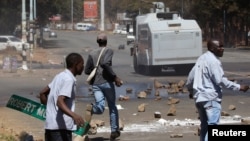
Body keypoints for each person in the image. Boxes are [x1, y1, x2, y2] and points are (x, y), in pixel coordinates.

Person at [186, 39, 249, 141]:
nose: (222, 49)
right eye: (220, 47)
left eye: (222, 46)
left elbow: (190, 78)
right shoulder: (214, 61)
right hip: (211, 98)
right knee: (213, 126)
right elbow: (220, 80)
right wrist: (239, 87)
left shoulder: (201, 59)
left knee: (204, 126)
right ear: (212, 48)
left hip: (199, 98)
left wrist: (191, 91)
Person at [84, 32, 123, 140]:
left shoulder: (91, 54)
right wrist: (115, 78)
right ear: (106, 41)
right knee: (112, 106)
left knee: (100, 107)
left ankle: (93, 108)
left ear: (97, 42)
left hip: (96, 84)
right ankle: (114, 131)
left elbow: (87, 70)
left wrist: (96, 71)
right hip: (107, 83)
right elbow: (105, 63)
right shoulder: (108, 50)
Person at [39, 53, 85, 141]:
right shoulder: (69, 79)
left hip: (50, 126)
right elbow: (60, 102)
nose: (83, 67)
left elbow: (42, 93)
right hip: (60, 129)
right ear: (76, 65)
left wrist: (50, 110)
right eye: (82, 64)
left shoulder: (59, 76)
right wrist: (74, 115)